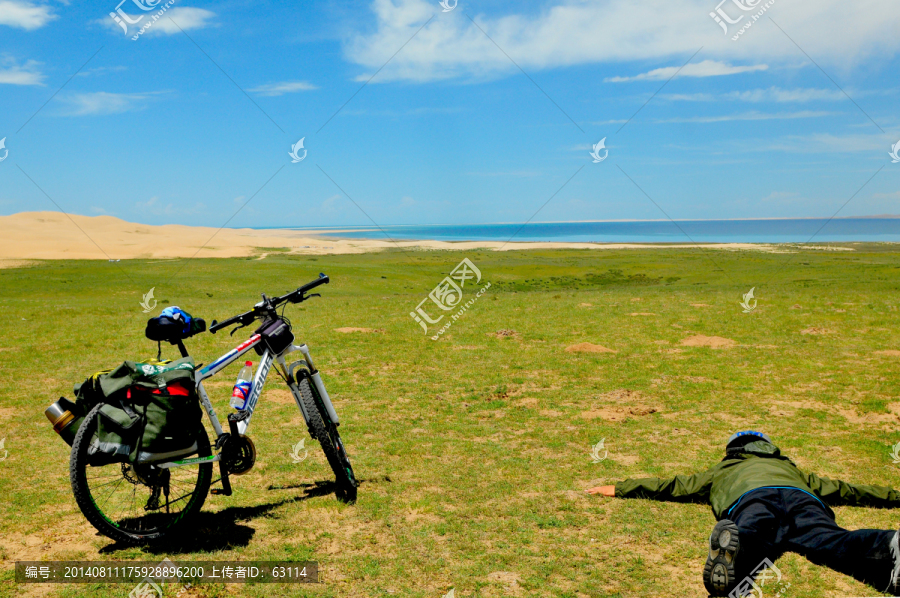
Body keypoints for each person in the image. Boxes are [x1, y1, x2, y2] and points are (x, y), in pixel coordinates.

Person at [586, 431, 900, 596]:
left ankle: (732, 559)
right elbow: (847, 489)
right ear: (769, 448)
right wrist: (895, 497)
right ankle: (888, 544)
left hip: (751, 498)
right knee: (830, 539)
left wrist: (620, 487)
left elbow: (674, 485)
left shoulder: (725, 468)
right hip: (802, 497)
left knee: (751, 534)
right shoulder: (789, 467)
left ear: (733, 450)